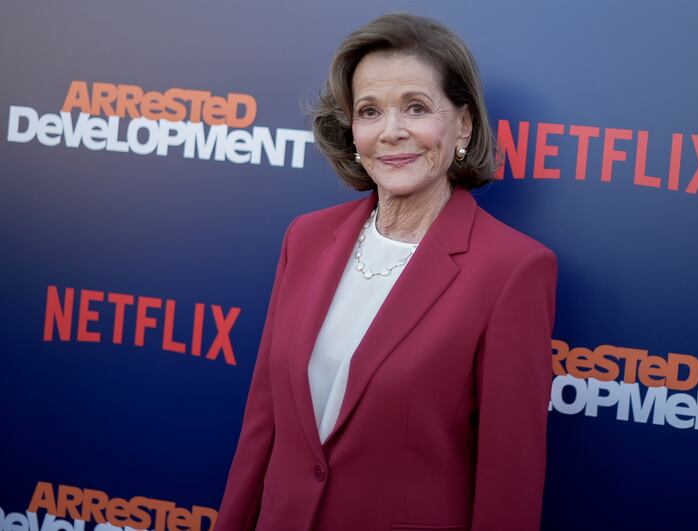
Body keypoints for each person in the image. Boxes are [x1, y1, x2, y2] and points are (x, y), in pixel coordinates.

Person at [216, 12, 557, 531]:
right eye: (370, 111)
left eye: (416, 108)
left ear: (462, 125)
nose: (392, 132)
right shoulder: (305, 239)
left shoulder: (512, 270)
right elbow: (263, 427)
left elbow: (509, 483)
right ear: (352, 129)